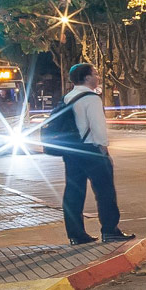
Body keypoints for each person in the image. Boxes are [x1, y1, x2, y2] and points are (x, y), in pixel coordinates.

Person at [56, 63, 135, 245]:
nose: (98, 77)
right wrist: (103, 147)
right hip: (91, 149)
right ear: (87, 77)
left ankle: (76, 235)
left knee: (73, 193)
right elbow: (97, 126)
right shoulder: (91, 98)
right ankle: (110, 230)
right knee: (105, 191)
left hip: (72, 150)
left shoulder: (68, 97)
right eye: (95, 74)